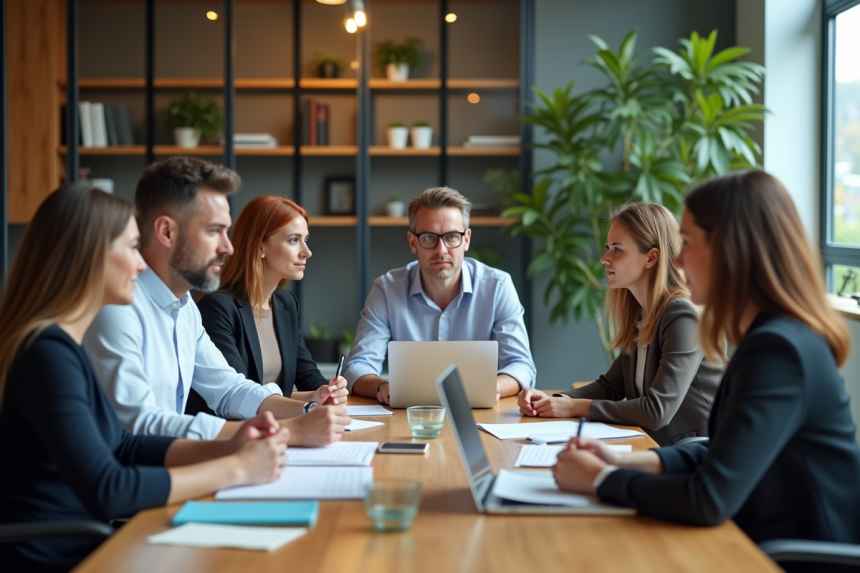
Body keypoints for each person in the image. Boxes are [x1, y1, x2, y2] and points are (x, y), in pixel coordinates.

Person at [551, 170, 860, 568]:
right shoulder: (769, 339)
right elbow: (719, 453)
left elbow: (710, 497)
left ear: (732, 250)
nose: (676, 260)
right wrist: (622, 461)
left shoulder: (778, 351)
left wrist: (599, 481)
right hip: (757, 536)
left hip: (790, 556)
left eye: (688, 243)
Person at [0, 184, 289, 572]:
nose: (141, 264)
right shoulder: (44, 353)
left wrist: (231, 445)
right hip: (62, 556)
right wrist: (237, 469)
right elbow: (108, 489)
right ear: (86, 257)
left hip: (92, 543)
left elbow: (125, 446)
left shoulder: (64, 345)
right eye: (131, 248)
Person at [84, 157, 349, 445]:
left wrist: (308, 410)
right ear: (166, 232)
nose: (229, 247)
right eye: (213, 231)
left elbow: (230, 389)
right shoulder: (118, 308)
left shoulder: (185, 308)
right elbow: (139, 425)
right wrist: (288, 431)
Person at [517, 203, 722, 446]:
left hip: (696, 454)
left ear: (651, 258)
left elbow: (657, 411)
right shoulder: (642, 312)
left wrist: (574, 406)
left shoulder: (682, 316)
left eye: (617, 249)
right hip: (656, 445)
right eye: (607, 248)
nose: (604, 258)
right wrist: (551, 400)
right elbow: (611, 386)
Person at [344, 186, 536, 405]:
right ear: (412, 241)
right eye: (428, 237)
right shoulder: (387, 289)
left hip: (480, 415)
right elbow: (357, 366)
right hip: (409, 416)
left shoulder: (498, 287)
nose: (441, 250)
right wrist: (382, 387)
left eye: (452, 236)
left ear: (466, 239)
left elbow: (521, 365)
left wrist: (494, 386)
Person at [186, 195, 344, 416]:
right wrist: (309, 407)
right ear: (260, 246)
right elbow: (241, 397)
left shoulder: (286, 304)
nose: (306, 252)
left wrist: (327, 392)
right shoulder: (217, 308)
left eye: (305, 239)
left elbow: (308, 378)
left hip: (278, 428)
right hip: (232, 434)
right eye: (293, 240)